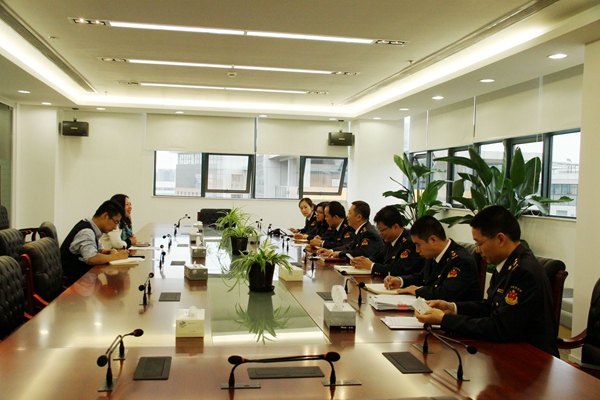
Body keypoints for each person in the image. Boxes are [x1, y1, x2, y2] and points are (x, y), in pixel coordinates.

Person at [415, 205, 559, 357]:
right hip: (508, 348)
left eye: (479, 243)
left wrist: (445, 320)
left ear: (501, 239)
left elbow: (499, 327)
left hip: (530, 357)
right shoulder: (507, 264)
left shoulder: (524, 272)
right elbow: (489, 306)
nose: (477, 250)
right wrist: (452, 307)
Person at [383, 215, 481, 302]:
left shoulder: (461, 261)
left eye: (418, 245)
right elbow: (423, 277)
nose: (417, 250)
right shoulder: (433, 254)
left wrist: (418, 291)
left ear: (433, 240)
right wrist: (400, 281)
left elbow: (446, 294)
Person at [61, 200, 129, 286]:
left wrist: (109, 252)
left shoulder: (92, 228)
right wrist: (116, 257)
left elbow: (99, 250)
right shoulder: (86, 232)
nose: (115, 227)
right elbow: (91, 258)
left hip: (82, 280)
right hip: (72, 284)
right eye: (116, 222)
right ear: (105, 216)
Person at [350, 205, 424, 276]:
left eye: (382, 230)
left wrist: (372, 266)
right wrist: (363, 261)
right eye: (378, 230)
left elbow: (399, 269)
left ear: (395, 227)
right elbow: (379, 257)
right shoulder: (390, 240)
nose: (380, 233)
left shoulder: (410, 242)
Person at [317, 201, 383, 259]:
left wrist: (340, 253)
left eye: (349, 213)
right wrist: (331, 251)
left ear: (359, 217)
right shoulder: (362, 230)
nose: (347, 216)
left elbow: (361, 253)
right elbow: (349, 246)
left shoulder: (368, 233)